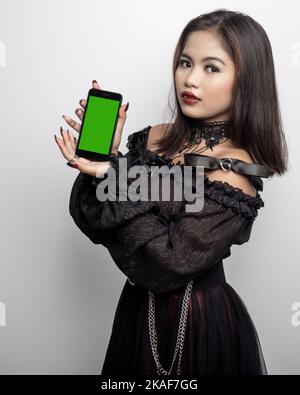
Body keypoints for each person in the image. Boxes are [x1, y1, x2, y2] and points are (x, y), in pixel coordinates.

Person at [55, 9, 288, 375]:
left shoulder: (237, 171)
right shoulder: (155, 139)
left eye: (211, 67)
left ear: (246, 79)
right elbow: (94, 217)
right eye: (185, 62)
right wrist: (105, 156)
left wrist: (115, 174)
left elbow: (167, 261)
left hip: (199, 323)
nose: (190, 79)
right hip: (136, 315)